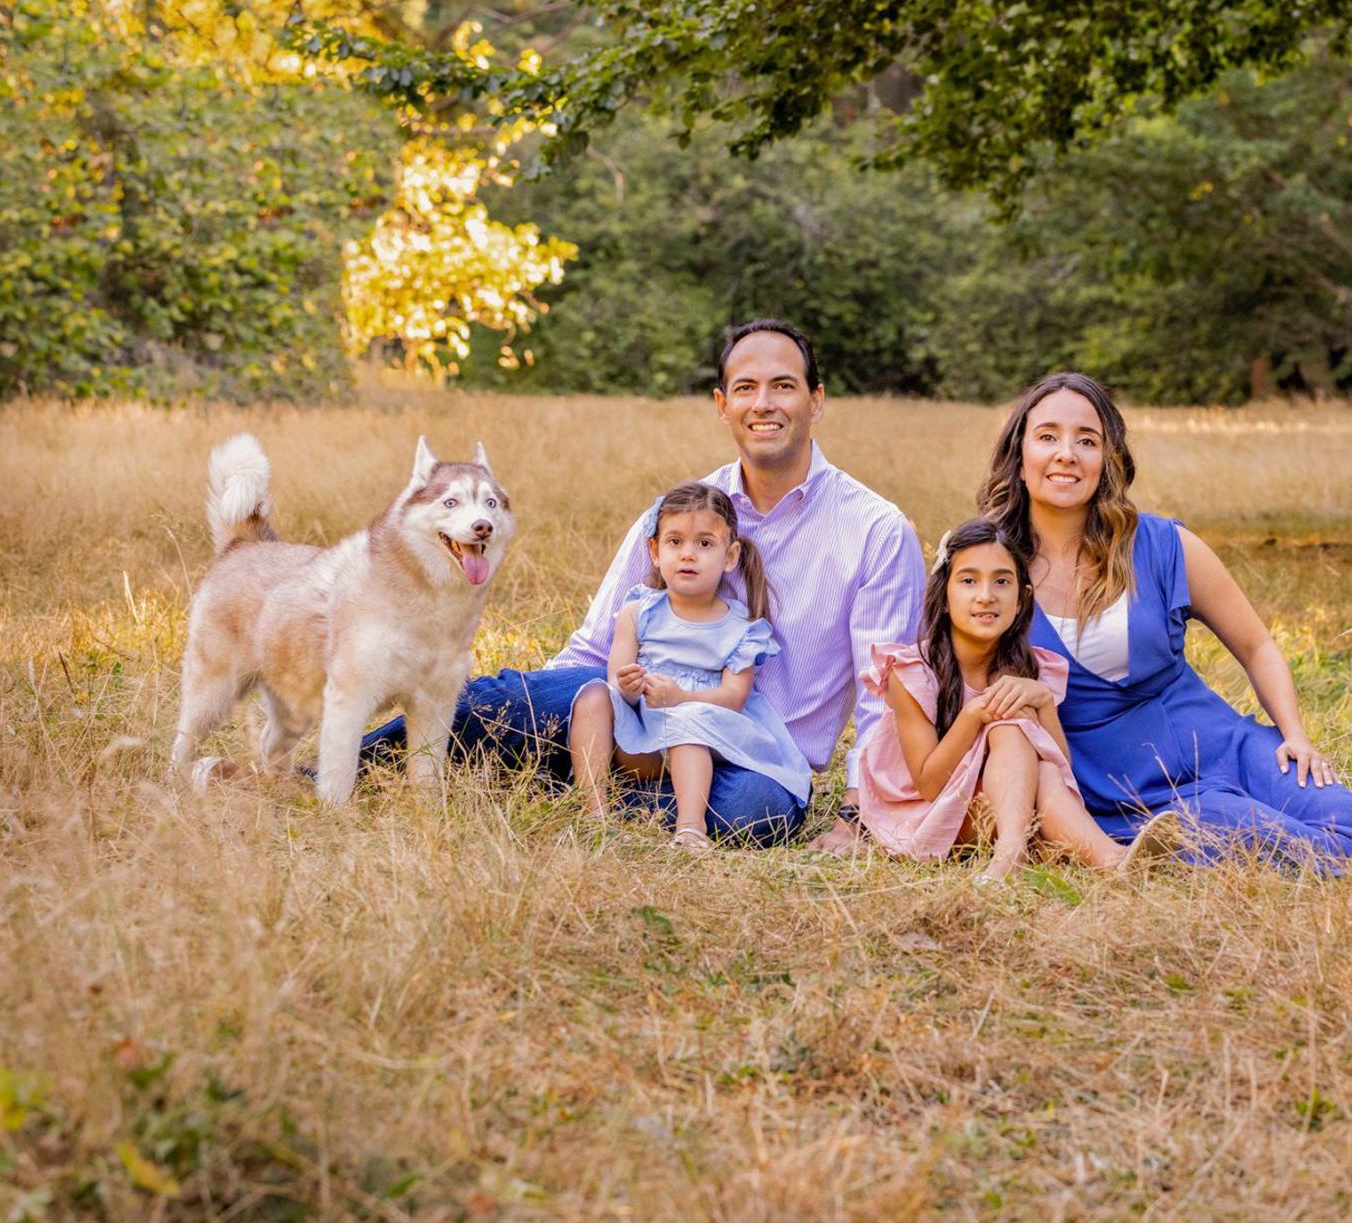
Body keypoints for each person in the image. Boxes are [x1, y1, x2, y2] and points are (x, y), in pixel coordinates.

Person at [812, 371, 1352, 884]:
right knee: (1259, 834)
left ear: (1108, 457)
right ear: (1018, 453)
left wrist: (1293, 732)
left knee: (1328, 807)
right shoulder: (981, 562)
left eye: (1087, 440)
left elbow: (1256, 644)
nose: (1066, 455)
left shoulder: (1166, 545)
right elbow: (933, 680)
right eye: (1047, 437)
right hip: (1112, 784)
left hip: (1216, 740)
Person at [358, 319, 926, 845]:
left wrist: (856, 813)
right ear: (722, 405)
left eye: (784, 386)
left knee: (756, 816)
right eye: (746, 388)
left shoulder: (875, 530)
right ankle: (358, 763)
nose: (765, 404)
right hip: (640, 721)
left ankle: (560, 784)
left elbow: (887, 695)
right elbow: (596, 645)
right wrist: (538, 707)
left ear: (815, 401)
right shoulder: (677, 515)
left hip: (755, 756)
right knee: (512, 701)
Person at [856, 516, 1181, 879]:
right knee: (1007, 717)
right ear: (944, 596)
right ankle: (1032, 852)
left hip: (1008, 800)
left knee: (1034, 755)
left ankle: (1105, 860)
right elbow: (930, 785)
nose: (986, 595)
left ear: (1022, 598)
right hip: (927, 812)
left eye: (1002, 581)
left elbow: (1060, 768)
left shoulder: (1033, 667)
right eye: (968, 581)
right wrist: (975, 713)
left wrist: (1043, 705)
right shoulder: (913, 670)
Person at [568, 481, 810, 847]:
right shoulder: (638, 611)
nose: (688, 555)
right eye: (675, 542)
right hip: (641, 738)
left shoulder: (742, 627)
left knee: (687, 727)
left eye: (705, 544)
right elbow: (618, 679)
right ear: (654, 551)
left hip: (701, 726)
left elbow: (734, 697)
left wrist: (681, 698)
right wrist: (629, 687)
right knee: (592, 696)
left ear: (730, 557)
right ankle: (594, 813)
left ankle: (690, 827)